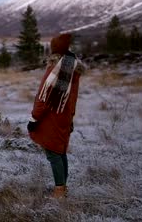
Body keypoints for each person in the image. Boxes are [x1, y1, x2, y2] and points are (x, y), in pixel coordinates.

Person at [27, 33, 85, 199]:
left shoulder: (57, 69)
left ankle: (59, 190)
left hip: (52, 117)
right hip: (65, 116)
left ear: (55, 50)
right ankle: (63, 188)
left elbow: (44, 98)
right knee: (60, 151)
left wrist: (34, 118)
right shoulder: (71, 67)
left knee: (53, 153)